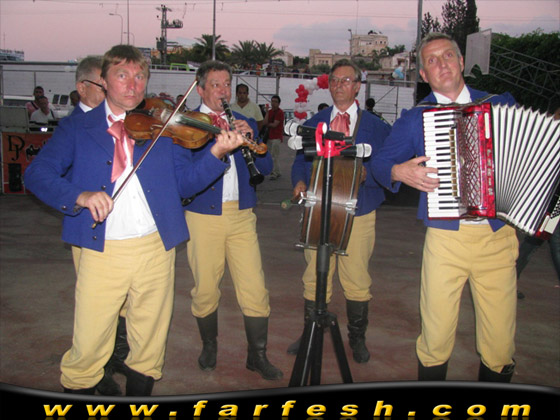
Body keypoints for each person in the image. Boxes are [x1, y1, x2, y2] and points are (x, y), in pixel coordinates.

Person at [24, 45, 244, 396]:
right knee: (89, 345)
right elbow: (37, 174)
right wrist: (80, 196)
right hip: (103, 250)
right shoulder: (78, 127)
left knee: (149, 346)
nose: (133, 84)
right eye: (122, 75)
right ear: (103, 80)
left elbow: (185, 185)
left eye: (140, 76)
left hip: (156, 248)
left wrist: (216, 153)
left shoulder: (161, 128)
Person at [371, 33, 518, 382]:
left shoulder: (501, 104)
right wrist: (398, 171)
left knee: (500, 344)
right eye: (432, 61)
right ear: (424, 74)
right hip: (445, 239)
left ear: (461, 61)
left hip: (497, 237)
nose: (442, 64)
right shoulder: (416, 118)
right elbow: (378, 163)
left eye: (448, 56)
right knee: (435, 338)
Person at [183, 60, 283, 381]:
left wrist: (253, 139)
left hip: (242, 215)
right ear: (201, 89)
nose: (224, 90)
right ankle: (209, 345)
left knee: (255, 287)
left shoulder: (243, 121)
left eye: (227, 84)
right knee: (205, 289)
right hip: (203, 216)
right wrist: (216, 150)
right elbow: (184, 182)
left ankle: (257, 355)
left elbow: (265, 170)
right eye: (216, 84)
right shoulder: (186, 124)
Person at [288, 58, 390, 363]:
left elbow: (387, 166)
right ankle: (310, 333)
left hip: (359, 212)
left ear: (357, 86)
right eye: (334, 80)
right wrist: (299, 182)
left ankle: (357, 338)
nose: (338, 86)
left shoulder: (377, 127)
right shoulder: (314, 122)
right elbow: (299, 161)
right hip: (318, 209)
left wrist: (368, 175)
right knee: (313, 275)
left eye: (345, 81)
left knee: (356, 278)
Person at [516, 105, 560, 290]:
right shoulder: (551, 136)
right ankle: (510, 280)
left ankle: (511, 280)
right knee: (544, 241)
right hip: (552, 204)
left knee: (536, 241)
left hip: (552, 203)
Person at [262, 95, 284, 180]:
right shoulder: (270, 112)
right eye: (272, 101)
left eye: (275, 102)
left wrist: (268, 124)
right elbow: (264, 122)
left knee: (274, 155)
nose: (273, 103)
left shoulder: (280, 112)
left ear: (279, 103)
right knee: (271, 155)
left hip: (276, 137)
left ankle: (275, 172)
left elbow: (275, 124)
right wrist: (267, 112)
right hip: (269, 136)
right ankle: (277, 171)